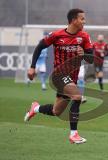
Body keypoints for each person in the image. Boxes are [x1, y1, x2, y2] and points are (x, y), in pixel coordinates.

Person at [24, 8, 93, 144]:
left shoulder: (84, 37)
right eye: (82, 19)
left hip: (71, 79)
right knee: (77, 96)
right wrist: (32, 67)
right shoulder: (57, 35)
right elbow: (39, 46)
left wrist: (83, 54)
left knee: (57, 111)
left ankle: (35, 108)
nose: (84, 21)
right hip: (58, 75)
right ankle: (74, 135)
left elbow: (91, 59)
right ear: (73, 20)